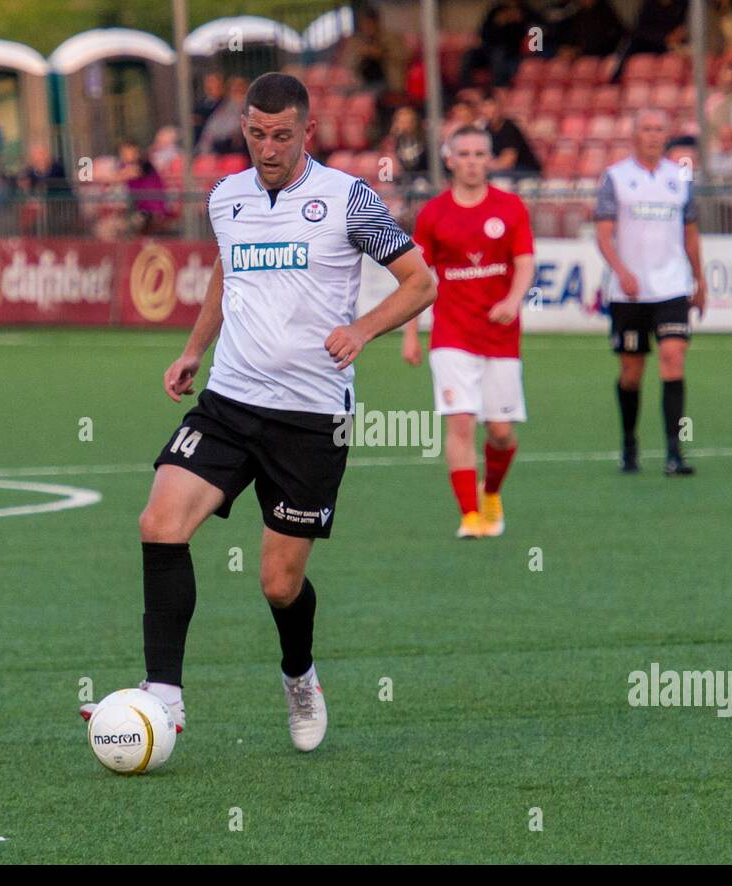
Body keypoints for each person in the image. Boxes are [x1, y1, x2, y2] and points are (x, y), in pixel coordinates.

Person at [81, 73, 435, 753]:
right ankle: (165, 697)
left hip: (309, 416)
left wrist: (362, 330)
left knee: (277, 583)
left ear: (307, 132)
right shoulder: (227, 196)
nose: (268, 147)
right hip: (230, 400)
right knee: (159, 521)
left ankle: (299, 672)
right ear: (243, 127)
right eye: (256, 133)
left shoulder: (347, 199)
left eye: (281, 135)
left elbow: (421, 280)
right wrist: (193, 349)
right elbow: (227, 272)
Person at [401, 126, 535, 538]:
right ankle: (470, 515)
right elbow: (417, 277)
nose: (473, 161)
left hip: (500, 338)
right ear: (450, 159)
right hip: (451, 336)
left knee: (499, 431)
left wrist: (513, 301)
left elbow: (525, 262)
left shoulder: (510, 207)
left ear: (489, 159)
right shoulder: (434, 214)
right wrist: (410, 332)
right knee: (460, 424)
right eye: (465, 153)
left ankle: (491, 493)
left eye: (480, 153)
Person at [594, 109, 705, 476]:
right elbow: (603, 233)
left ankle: (675, 453)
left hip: (672, 286)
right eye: (647, 129)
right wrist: (621, 271)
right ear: (634, 134)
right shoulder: (616, 177)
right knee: (631, 372)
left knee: (673, 358)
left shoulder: (681, 179)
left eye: (660, 129)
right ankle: (629, 443)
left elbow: (690, 233)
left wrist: (699, 280)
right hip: (629, 293)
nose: (654, 135)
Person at [480, 92, 542, 174]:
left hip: (526, 172)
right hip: (504, 172)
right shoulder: (485, 130)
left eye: (490, 105)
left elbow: (507, 162)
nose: (486, 110)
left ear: (499, 107)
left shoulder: (509, 128)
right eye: (484, 106)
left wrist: (485, 166)